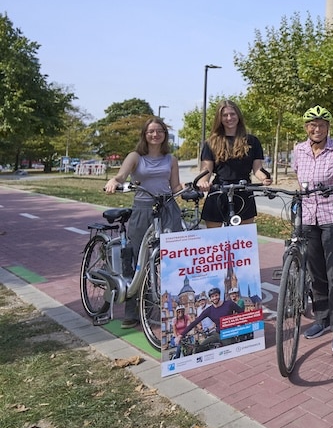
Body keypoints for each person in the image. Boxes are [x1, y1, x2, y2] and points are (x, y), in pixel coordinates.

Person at [291, 105, 333, 354]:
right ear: (306, 127)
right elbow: (298, 176)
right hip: (309, 216)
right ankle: (322, 318)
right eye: (312, 125)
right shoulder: (298, 150)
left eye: (321, 125)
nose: (316, 129)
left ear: (327, 127)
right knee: (316, 271)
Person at [103, 116, 184, 328]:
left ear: (165, 135)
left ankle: (175, 308)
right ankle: (132, 311)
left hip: (168, 209)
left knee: (171, 258)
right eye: (151, 131)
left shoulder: (171, 159)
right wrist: (114, 180)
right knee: (138, 259)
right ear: (145, 134)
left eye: (159, 131)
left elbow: (174, 186)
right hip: (143, 210)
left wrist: (185, 190)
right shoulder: (136, 157)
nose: (155, 134)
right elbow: (122, 176)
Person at [197, 100, 271, 227]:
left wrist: (264, 178)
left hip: (244, 190)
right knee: (214, 239)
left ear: (238, 116)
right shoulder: (211, 143)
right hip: (219, 190)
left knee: (243, 238)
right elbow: (206, 170)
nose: (229, 118)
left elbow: (257, 168)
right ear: (219, 118)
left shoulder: (252, 141)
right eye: (225, 115)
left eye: (232, 114)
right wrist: (203, 182)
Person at [179, 286, 244, 341]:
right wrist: (181, 335)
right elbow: (195, 322)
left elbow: (242, 313)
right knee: (201, 347)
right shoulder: (208, 310)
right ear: (210, 299)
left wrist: (240, 326)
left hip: (230, 332)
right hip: (218, 333)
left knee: (227, 343)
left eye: (216, 295)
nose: (215, 298)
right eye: (212, 296)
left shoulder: (229, 303)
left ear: (219, 295)